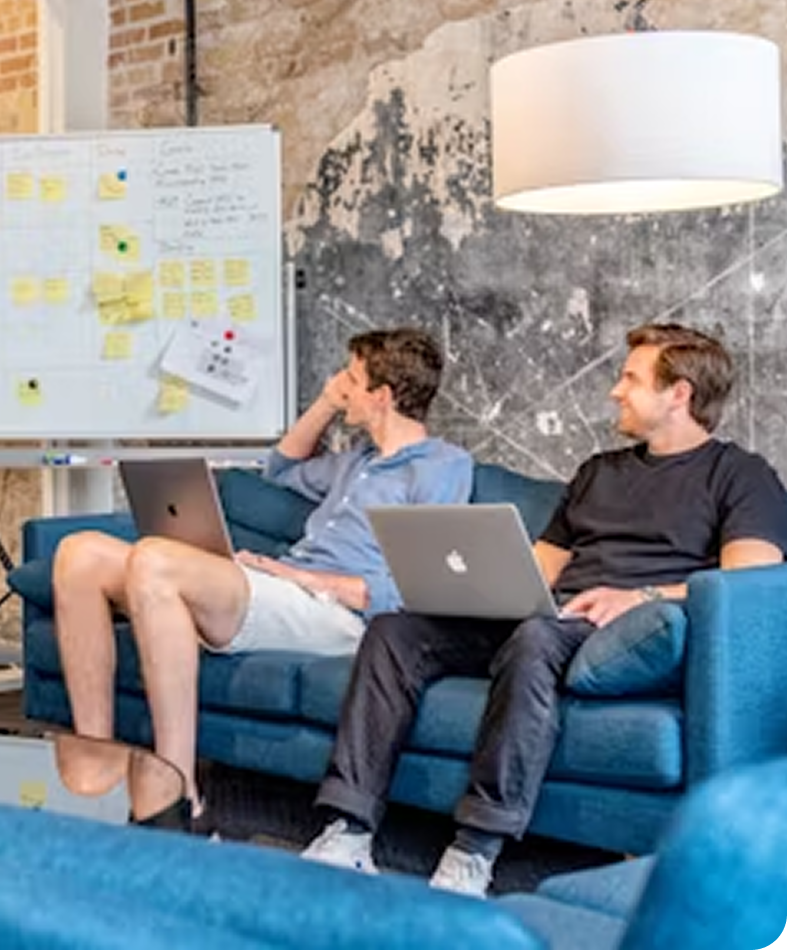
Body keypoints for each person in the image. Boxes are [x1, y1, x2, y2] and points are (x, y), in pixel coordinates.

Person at [302, 323, 787, 897]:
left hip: (626, 629)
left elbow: (747, 584)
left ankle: (475, 849)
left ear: (678, 393)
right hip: (552, 615)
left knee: (534, 637)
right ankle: (348, 830)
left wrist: (642, 597)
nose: (614, 390)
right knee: (394, 631)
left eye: (630, 379)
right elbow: (538, 568)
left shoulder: (740, 474)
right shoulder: (598, 472)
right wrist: (472, 590)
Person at [52, 327, 472, 825]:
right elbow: (280, 469)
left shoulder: (442, 467)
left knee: (155, 561)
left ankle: (179, 789)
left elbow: (415, 587)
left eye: (350, 379)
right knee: (79, 554)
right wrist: (325, 403)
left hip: (337, 615)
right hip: (286, 591)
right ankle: (96, 755)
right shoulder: (356, 462)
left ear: (381, 396)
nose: (339, 384)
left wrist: (304, 578)